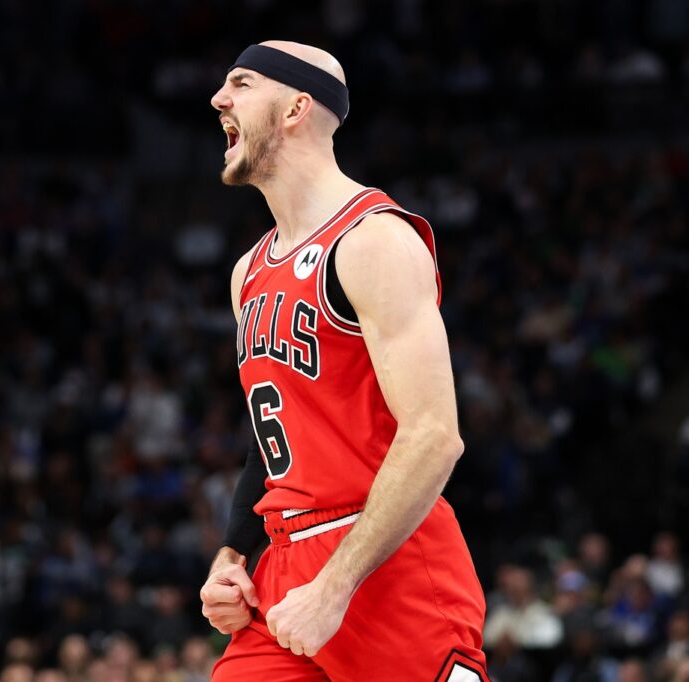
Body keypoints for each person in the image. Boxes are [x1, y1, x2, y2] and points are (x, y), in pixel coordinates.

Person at [199, 40, 488, 681]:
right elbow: (269, 440)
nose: (218, 99)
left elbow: (434, 437)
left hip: (385, 560)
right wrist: (232, 554)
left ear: (296, 108)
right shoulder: (249, 271)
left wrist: (335, 587)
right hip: (283, 561)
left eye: (241, 84)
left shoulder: (375, 239)